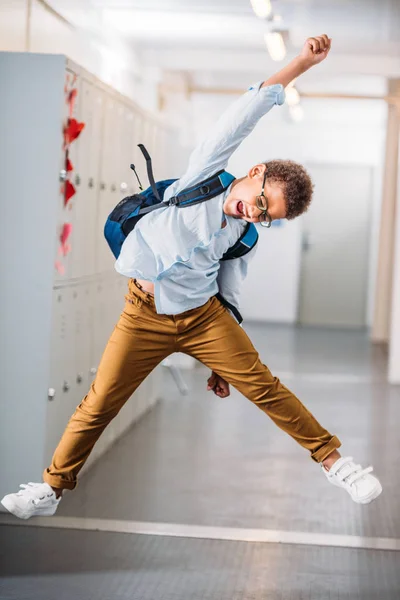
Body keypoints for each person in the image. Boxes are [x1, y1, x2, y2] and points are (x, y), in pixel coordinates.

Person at [1, 34, 382, 520]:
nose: (255, 211)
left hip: (203, 318)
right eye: (260, 199)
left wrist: (221, 364)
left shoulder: (243, 235)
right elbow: (244, 113)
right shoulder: (205, 174)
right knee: (99, 403)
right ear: (254, 172)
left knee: (263, 385)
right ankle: (51, 489)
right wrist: (301, 64)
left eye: (266, 215)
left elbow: (231, 292)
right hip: (142, 314)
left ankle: (336, 463)